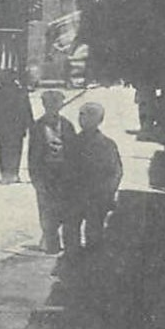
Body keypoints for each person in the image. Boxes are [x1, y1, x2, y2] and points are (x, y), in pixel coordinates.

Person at [66, 101, 123, 252]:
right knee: (71, 233)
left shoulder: (107, 145)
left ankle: (92, 266)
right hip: (74, 196)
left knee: (94, 234)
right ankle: (72, 261)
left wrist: (106, 193)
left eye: (86, 116)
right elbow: (63, 170)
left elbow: (116, 172)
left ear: (97, 120)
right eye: (80, 115)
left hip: (97, 198)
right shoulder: (72, 142)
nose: (81, 119)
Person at [27, 89, 76, 254]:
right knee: (46, 208)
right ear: (45, 106)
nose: (53, 111)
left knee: (64, 207)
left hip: (64, 173)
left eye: (57, 106)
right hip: (46, 173)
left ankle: (60, 240)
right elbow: (33, 155)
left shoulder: (68, 126)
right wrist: (36, 179)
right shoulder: (37, 127)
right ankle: (50, 241)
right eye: (50, 107)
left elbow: (74, 151)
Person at [0, 71, 35, 184]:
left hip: (3, 128)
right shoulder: (20, 92)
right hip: (17, 128)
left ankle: (5, 174)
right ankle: (13, 173)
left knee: (3, 150)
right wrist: (30, 125)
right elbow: (26, 111)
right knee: (15, 150)